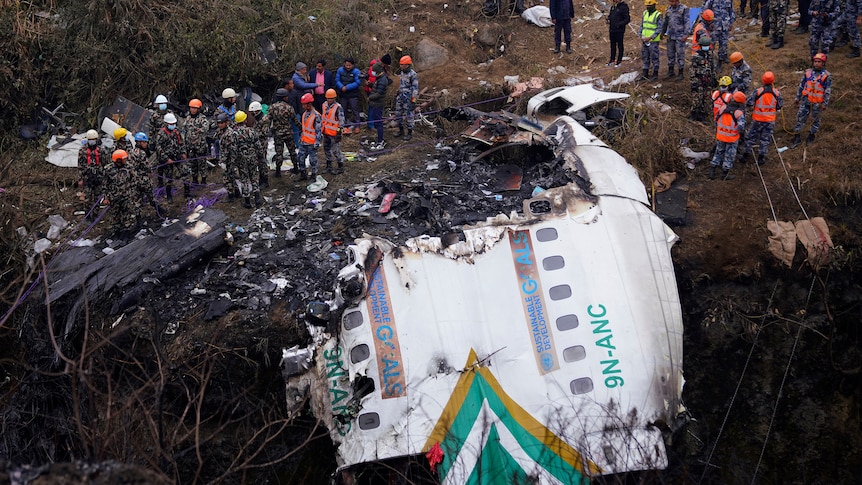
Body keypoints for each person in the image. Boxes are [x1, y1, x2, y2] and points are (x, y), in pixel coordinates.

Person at [740, 71, 783, 165]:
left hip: (758, 119)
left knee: (751, 137)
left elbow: (749, 103)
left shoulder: (758, 91)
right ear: (773, 81)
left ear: (763, 80)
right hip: (770, 120)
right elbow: (780, 106)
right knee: (765, 139)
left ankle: (745, 155)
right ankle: (761, 158)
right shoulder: (777, 93)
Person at [792, 53, 831, 147]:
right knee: (800, 117)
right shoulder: (808, 73)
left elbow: (827, 90)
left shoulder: (827, 76)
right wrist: (797, 97)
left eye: (819, 62)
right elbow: (801, 85)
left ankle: (811, 135)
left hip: (817, 102)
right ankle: (797, 136)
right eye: (815, 61)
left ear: (823, 63)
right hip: (806, 100)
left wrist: (825, 103)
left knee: (816, 120)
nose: (817, 63)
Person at [709, 91, 747, 180]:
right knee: (729, 156)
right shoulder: (739, 113)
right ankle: (724, 174)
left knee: (718, 152)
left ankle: (712, 171)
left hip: (720, 136)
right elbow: (741, 127)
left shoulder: (722, 108)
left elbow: (716, 120)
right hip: (732, 138)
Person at [153, 112, 187, 203]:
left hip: (177, 156)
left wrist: (183, 153)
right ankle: (169, 196)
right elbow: (159, 149)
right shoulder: (161, 134)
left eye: (173, 124)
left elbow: (181, 142)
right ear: (166, 124)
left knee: (185, 173)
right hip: (167, 159)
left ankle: (187, 193)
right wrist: (166, 159)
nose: (173, 125)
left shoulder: (176, 131)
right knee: (169, 178)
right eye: (171, 124)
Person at [267, 88, 301, 177]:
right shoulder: (289, 107)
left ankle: (278, 172)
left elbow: (268, 121)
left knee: (279, 153)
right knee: (292, 151)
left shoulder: (272, 108)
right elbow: (295, 121)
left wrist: (267, 131)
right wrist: (302, 129)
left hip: (278, 134)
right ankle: (296, 168)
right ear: (285, 97)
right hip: (288, 132)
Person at [105, 150, 141, 234]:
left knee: (126, 215)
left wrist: (132, 193)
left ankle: (126, 233)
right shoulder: (108, 169)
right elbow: (104, 185)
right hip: (113, 197)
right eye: (124, 159)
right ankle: (117, 232)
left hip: (127, 196)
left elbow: (135, 180)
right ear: (118, 160)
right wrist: (106, 197)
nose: (126, 160)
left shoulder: (129, 167)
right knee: (115, 216)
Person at [233, 111, 263, 208]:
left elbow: (233, 149)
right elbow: (258, 145)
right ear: (245, 120)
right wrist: (260, 155)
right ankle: (257, 199)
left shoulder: (234, 134)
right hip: (252, 157)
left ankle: (247, 202)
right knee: (254, 177)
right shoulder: (251, 131)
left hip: (241, 159)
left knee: (244, 179)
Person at [78, 129, 109, 210]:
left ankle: (95, 214)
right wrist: (80, 179)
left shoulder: (101, 150)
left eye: (94, 140)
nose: (92, 141)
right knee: (87, 198)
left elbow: (105, 163)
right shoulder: (83, 150)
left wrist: (104, 177)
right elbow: (80, 165)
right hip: (87, 178)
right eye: (90, 140)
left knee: (97, 198)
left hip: (98, 178)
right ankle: (87, 216)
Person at [184, 98, 211, 187]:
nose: (193, 110)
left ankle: (203, 180)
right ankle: (195, 180)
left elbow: (206, 128)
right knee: (192, 163)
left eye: (195, 108)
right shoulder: (188, 118)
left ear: (198, 109)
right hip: (190, 146)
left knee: (202, 163)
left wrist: (199, 130)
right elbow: (184, 130)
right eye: (191, 108)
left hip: (200, 146)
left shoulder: (202, 118)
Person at [690, 35, 717, 122]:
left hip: (707, 80)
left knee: (705, 98)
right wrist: (694, 82)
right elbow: (692, 70)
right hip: (698, 80)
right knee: (697, 98)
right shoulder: (696, 56)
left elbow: (712, 67)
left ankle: (702, 115)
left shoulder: (710, 55)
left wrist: (714, 78)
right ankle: (693, 114)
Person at [661, 0, 689, 79]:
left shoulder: (684, 9)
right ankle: (671, 71)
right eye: (671, 1)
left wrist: (686, 34)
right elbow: (665, 22)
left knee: (680, 54)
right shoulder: (669, 9)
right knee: (670, 54)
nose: (672, 3)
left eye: (674, 1)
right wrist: (662, 32)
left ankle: (680, 72)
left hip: (680, 36)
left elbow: (687, 22)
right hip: (670, 35)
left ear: (677, 1)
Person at [297, 93, 322, 180]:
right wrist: (301, 137)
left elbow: (318, 131)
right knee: (300, 158)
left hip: (312, 142)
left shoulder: (316, 116)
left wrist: (317, 142)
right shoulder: (304, 114)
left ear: (309, 104)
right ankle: (303, 174)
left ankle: (313, 175)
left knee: (313, 160)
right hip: (304, 141)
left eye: (304, 104)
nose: (303, 106)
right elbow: (304, 128)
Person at [321, 89, 346, 175]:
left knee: (336, 150)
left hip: (334, 133)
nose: (329, 100)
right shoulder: (324, 105)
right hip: (326, 132)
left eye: (331, 98)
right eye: (328, 98)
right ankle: (329, 166)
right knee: (326, 149)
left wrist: (339, 133)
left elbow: (341, 121)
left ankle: (340, 166)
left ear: (334, 98)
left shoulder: (338, 107)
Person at [367, 61, 391, 150]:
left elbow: (379, 93)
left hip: (378, 103)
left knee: (378, 123)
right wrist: (370, 85)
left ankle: (380, 141)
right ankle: (379, 139)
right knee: (377, 121)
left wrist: (370, 97)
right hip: (375, 103)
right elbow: (377, 88)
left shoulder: (382, 80)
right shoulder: (379, 78)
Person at [130, 132, 157, 212]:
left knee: (137, 201)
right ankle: (159, 209)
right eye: (144, 142)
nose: (146, 144)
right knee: (151, 196)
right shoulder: (141, 153)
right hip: (143, 179)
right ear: (139, 142)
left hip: (134, 180)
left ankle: (139, 220)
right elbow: (147, 167)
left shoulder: (132, 152)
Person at [395, 55, 419, 141]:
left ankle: (409, 132)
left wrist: (413, 101)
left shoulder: (413, 75)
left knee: (409, 116)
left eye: (402, 64)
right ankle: (400, 130)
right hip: (400, 97)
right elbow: (402, 84)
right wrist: (398, 92)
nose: (400, 66)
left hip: (408, 99)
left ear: (407, 65)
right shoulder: (402, 73)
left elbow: (415, 89)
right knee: (398, 113)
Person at [335, 57, 363, 134]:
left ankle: (357, 126)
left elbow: (358, 82)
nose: (348, 67)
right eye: (346, 65)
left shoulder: (356, 72)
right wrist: (341, 87)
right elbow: (337, 80)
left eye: (349, 65)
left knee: (355, 110)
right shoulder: (340, 70)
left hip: (353, 94)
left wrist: (347, 87)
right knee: (343, 110)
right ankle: (344, 125)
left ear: (352, 65)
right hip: (343, 94)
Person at [703, 0, 736, 65]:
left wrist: (731, 22)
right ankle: (710, 61)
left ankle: (721, 60)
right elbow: (705, 11)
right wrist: (708, 24)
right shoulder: (711, 1)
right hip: (714, 26)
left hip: (725, 26)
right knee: (711, 44)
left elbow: (731, 11)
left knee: (724, 44)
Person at [215, 112, 239, 199]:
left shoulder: (229, 133)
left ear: (226, 123)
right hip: (226, 156)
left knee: (227, 177)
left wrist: (223, 161)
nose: (220, 125)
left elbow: (227, 149)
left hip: (230, 158)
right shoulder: (221, 131)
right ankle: (237, 192)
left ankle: (230, 195)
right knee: (231, 176)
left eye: (222, 123)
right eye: (219, 123)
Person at [247, 101, 270, 188]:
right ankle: (261, 179)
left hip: (262, 143)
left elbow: (264, 132)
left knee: (262, 162)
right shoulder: (258, 120)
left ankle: (265, 180)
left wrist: (253, 135)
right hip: (257, 143)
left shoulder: (264, 120)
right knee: (259, 162)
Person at [640, 0, 663, 80]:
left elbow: (659, 28)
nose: (648, 7)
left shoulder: (658, 15)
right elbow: (642, 25)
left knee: (654, 57)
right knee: (645, 56)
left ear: (654, 5)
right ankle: (645, 73)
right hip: (644, 39)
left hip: (653, 41)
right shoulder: (645, 13)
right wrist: (640, 34)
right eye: (647, 6)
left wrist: (651, 37)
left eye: (649, 6)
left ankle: (655, 74)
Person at [607, 0, 631, 66]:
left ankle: (619, 61)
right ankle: (612, 60)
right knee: (612, 45)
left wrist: (619, 24)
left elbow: (627, 19)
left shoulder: (624, 7)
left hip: (619, 30)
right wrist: (608, 19)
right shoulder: (613, 6)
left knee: (620, 45)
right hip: (612, 29)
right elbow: (610, 15)